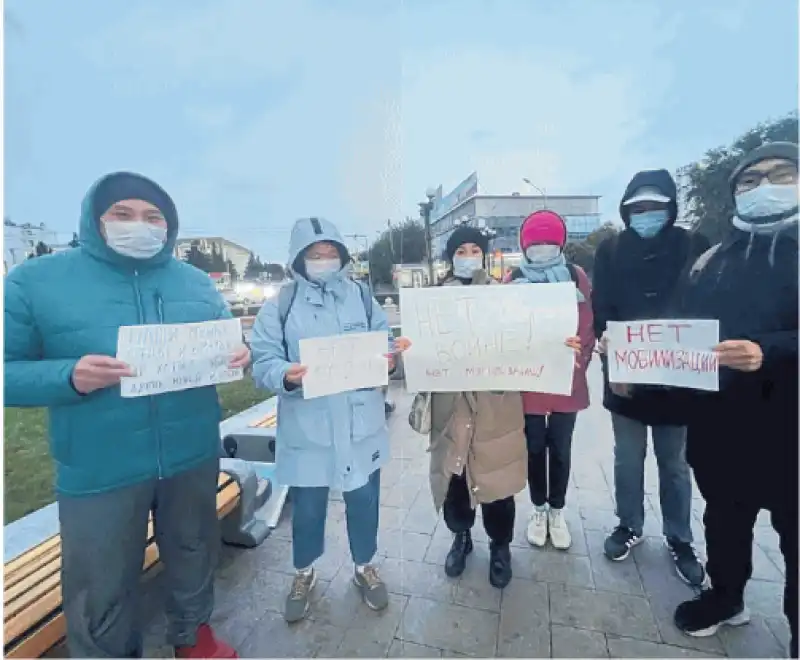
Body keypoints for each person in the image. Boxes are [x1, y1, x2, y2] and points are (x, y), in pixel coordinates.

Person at [4, 172, 247, 658]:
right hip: (100, 466)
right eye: (123, 214)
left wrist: (236, 352)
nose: (140, 225)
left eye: (153, 217)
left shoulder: (195, 281)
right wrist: (68, 376)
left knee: (194, 550)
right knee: (100, 577)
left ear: (169, 226)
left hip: (190, 453)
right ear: (95, 220)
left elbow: (226, 338)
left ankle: (194, 637)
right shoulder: (36, 281)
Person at [670, 142, 798, 656]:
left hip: (791, 431)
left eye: (781, 174)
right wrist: (632, 350)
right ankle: (726, 598)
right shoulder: (710, 260)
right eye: (749, 181)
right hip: (721, 429)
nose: (763, 187)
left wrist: (768, 351)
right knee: (723, 521)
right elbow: (678, 328)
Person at [250, 217, 405, 622]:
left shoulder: (361, 297)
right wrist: (285, 375)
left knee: (365, 500)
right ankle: (304, 572)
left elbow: (384, 345)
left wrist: (390, 360)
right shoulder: (280, 305)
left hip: (360, 426)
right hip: (309, 427)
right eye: (315, 255)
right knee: (307, 507)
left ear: (342, 255)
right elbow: (263, 360)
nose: (324, 261)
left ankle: (364, 566)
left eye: (330, 254)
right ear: (299, 259)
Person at [592, 169, 709, 585]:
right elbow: (601, 309)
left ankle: (679, 538)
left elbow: (707, 304)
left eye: (654, 207)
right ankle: (629, 526)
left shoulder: (693, 245)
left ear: (671, 207)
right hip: (626, 378)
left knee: (675, 463)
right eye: (637, 208)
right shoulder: (609, 250)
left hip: (678, 382)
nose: (645, 214)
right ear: (626, 211)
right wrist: (611, 360)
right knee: (627, 459)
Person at [413, 224, 527, 588]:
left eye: (472, 250)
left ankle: (500, 546)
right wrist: (407, 352)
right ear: (451, 257)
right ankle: (461, 538)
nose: (467, 256)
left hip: (496, 406)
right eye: (459, 251)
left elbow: (527, 340)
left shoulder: (502, 296)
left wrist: (558, 345)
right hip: (451, 407)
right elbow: (420, 349)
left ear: (484, 254)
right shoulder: (432, 300)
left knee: (497, 480)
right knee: (454, 479)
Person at [507, 210, 595, 550]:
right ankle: (538, 509)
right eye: (535, 242)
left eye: (549, 241)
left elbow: (587, 322)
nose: (542, 248)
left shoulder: (575, 276)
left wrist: (577, 356)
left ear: (560, 243)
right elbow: (503, 326)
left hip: (564, 379)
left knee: (560, 448)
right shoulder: (513, 278)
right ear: (524, 245)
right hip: (528, 382)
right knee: (533, 448)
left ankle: (557, 510)